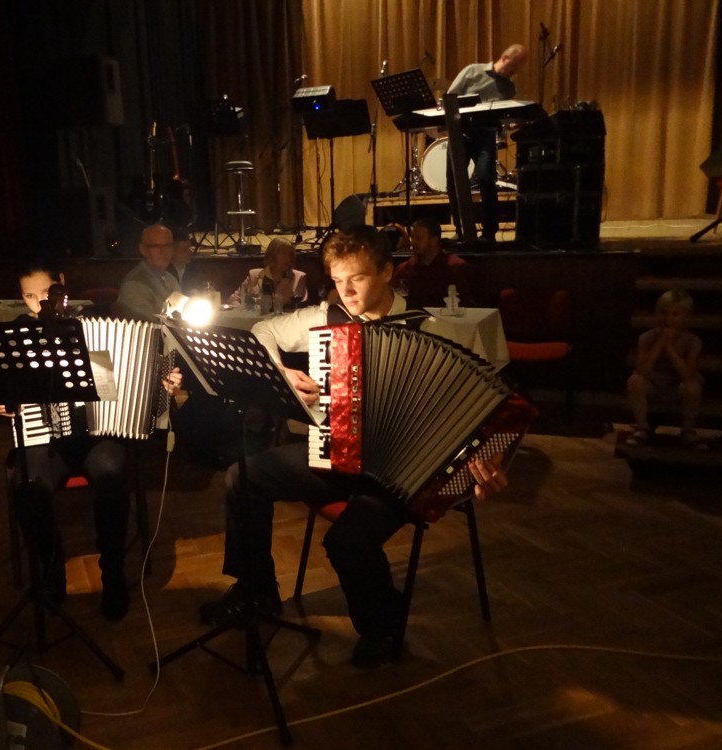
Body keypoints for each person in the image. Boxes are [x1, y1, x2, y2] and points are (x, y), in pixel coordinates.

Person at [198, 225, 508, 668]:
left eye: (357, 278)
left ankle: (383, 625)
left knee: (347, 540)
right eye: (337, 279)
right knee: (243, 477)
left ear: (386, 272)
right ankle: (256, 589)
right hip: (336, 452)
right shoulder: (326, 318)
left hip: (402, 474)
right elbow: (263, 330)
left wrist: (486, 455)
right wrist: (284, 372)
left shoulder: (430, 328)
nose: (345, 291)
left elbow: (483, 408)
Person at [0, 260, 182, 620]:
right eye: (29, 296)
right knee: (28, 487)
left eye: (45, 292)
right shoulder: (18, 334)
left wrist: (164, 383)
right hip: (41, 435)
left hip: (99, 431)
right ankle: (51, 570)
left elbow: (142, 376)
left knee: (112, 471)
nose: (38, 303)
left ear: (61, 285)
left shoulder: (95, 324)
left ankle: (112, 570)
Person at [445, 43, 529, 244]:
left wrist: (513, 122)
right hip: (461, 133)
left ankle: (489, 233)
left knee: (486, 179)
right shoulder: (472, 71)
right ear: (504, 58)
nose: (514, 72)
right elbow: (450, 97)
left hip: (486, 136)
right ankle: (462, 231)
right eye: (513, 66)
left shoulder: (509, 88)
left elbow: (505, 118)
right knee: (454, 182)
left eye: (517, 69)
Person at [626, 289, 704, 448]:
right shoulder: (646, 337)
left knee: (693, 387)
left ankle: (688, 430)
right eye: (664, 313)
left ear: (686, 317)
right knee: (634, 380)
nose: (668, 319)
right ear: (657, 313)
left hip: (677, 386)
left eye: (675, 314)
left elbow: (687, 375)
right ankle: (642, 428)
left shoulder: (693, 341)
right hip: (653, 384)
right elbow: (642, 370)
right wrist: (660, 343)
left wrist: (669, 348)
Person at [391, 217, 475, 309]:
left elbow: (466, 305)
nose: (413, 243)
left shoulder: (456, 268)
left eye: (418, 238)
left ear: (434, 240)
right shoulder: (404, 270)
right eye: (412, 238)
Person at [115, 224, 181, 321]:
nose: (163, 251)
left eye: (167, 245)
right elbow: (148, 325)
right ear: (143, 249)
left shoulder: (171, 279)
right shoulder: (134, 285)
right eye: (156, 246)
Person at [226, 237, 308, 312]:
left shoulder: (299, 277)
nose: (288, 258)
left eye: (290, 255)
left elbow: (301, 309)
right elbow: (234, 299)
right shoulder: (254, 275)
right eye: (283, 254)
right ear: (272, 255)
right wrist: (242, 313)